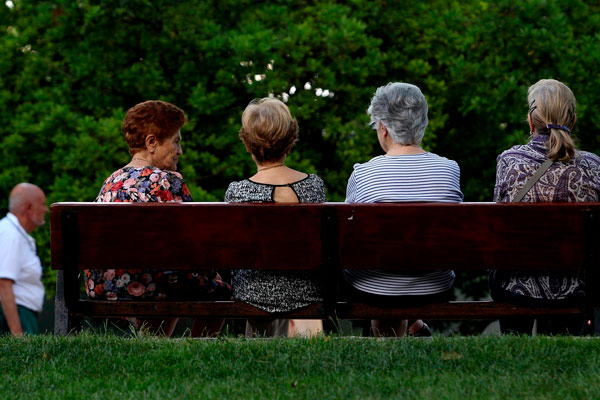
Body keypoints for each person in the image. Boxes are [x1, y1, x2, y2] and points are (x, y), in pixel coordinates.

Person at [87, 100, 231, 336]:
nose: (180, 151)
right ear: (151, 142)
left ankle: (154, 343)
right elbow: (194, 244)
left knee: (172, 272)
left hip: (107, 285)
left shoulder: (111, 182)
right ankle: (199, 354)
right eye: (176, 142)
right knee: (213, 287)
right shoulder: (168, 180)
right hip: (152, 283)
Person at [343, 82, 463, 337]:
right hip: (434, 283)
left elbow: (349, 238)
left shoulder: (363, 173)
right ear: (422, 124)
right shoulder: (449, 170)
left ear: (383, 129)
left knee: (383, 268)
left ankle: (390, 336)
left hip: (373, 285)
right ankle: (414, 324)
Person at [491, 79, 600, 335]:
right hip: (576, 288)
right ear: (572, 122)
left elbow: (499, 223)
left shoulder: (510, 161)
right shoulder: (595, 167)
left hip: (516, 287)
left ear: (531, 121)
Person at [226, 98, 326, 337]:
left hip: (253, 291)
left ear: (248, 146)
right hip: (306, 289)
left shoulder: (237, 192)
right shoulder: (313, 187)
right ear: (290, 144)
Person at [0, 183, 48, 335]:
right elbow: (3, 283)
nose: (46, 210)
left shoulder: (15, 233)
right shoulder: (10, 234)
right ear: (28, 208)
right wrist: (17, 335)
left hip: (20, 314)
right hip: (15, 315)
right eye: (42, 204)